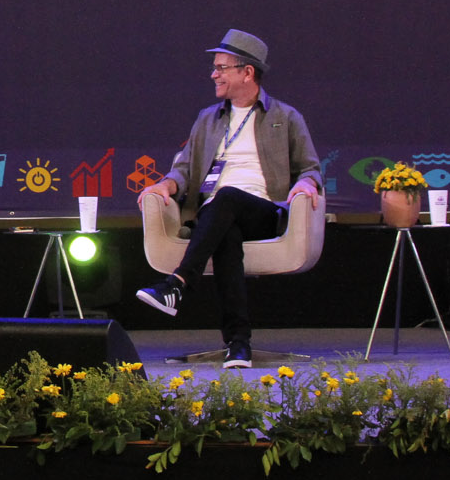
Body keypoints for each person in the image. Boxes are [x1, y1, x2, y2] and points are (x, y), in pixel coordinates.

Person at [135, 29, 322, 369]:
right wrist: (165, 186)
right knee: (225, 232)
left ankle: (178, 283)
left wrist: (306, 184)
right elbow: (185, 170)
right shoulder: (208, 118)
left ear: (246, 72)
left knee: (227, 198)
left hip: (262, 212)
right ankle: (238, 344)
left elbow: (310, 169)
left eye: (221, 67)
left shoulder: (285, 117)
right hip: (216, 217)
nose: (214, 74)